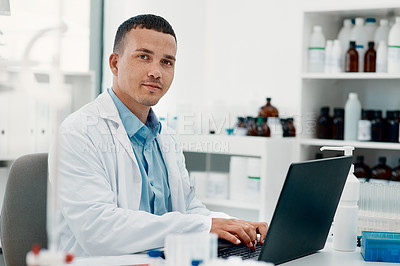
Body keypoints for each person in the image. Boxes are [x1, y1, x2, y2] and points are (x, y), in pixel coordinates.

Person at [50, 14, 268, 257]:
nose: (156, 72)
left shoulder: (166, 138)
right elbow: (98, 230)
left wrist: (238, 226)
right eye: (144, 57)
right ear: (114, 63)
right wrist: (203, 227)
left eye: (167, 62)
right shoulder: (79, 133)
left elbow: (188, 209)